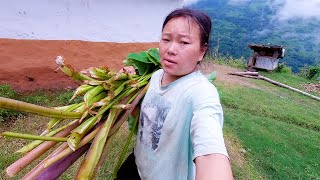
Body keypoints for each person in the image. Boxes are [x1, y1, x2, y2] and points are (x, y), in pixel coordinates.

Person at [117, 8, 233, 180]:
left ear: (202, 51)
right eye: (166, 39)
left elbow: (210, 152)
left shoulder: (201, 92)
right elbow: (149, 122)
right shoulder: (157, 76)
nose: (170, 49)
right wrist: (127, 90)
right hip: (138, 166)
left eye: (184, 42)